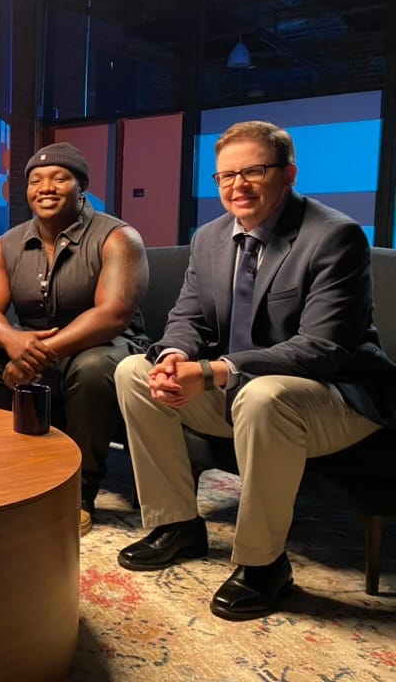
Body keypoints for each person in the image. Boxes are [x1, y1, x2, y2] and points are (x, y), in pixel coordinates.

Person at [114, 120, 396, 620]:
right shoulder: (211, 238)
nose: (236, 186)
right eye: (225, 176)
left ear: (288, 174)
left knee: (264, 395)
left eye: (253, 171)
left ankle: (263, 565)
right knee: (134, 371)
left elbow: (322, 348)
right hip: (245, 389)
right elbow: (188, 317)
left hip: (338, 397)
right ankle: (176, 523)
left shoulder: (335, 237)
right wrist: (175, 357)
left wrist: (216, 369)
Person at [0, 142, 149, 536]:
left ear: (82, 187)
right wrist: (12, 342)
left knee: (94, 366)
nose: (46, 187)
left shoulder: (118, 237)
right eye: (36, 180)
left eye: (60, 178)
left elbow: (113, 313)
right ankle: (19, 469)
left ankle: (77, 493)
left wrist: (36, 352)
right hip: (29, 348)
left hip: (105, 345)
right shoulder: (5, 244)